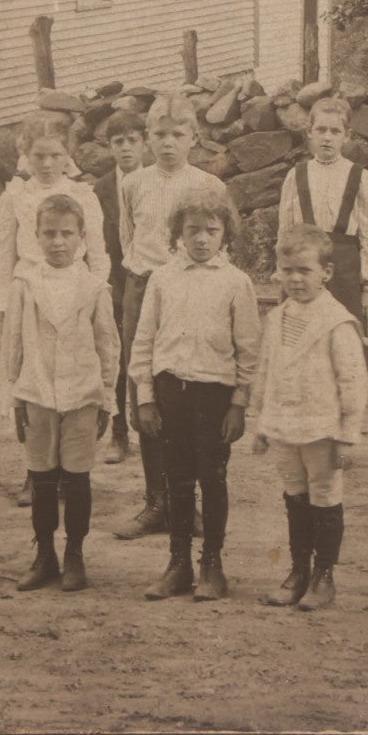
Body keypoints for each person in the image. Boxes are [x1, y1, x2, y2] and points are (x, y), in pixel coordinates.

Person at [132, 188, 261, 601]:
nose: (202, 239)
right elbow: (144, 340)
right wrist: (145, 397)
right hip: (171, 391)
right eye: (193, 230)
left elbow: (249, 351)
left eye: (211, 230)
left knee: (213, 478)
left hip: (215, 396)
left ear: (225, 234)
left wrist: (239, 404)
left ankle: (212, 565)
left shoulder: (236, 282)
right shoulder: (162, 278)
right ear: (178, 233)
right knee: (177, 479)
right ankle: (178, 565)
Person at [113, 95, 229, 541]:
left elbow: (219, 243)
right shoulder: (133, 183)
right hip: (143, 288)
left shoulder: (207, 184)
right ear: (147, 138)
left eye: (177, 135)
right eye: (159, 134)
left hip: (189, 289)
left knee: (186, 389)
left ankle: (186, 502)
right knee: (144, 386)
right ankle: (155, 500)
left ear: (194, 138)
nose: (167, 143)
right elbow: (128, 238)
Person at [3, 194, 120, 593]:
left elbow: (108, 347)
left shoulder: (94, 287)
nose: (58, 242)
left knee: (77, 479)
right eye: (49, 233)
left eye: (66, 234)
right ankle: (45, 555)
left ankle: (75, 553)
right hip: (37, 394)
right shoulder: (26, 285)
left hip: (82, 396)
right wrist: (16, 398)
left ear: (81, 236)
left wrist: (106, 399)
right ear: (36, 236)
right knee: (41, 479)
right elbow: (13, 345)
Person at [250, 226, 368, 611]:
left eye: (304, 270)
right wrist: (261, 425)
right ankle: (299, 570)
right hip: (285, 426)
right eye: (287, 271)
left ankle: (324, 575)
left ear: (326, 273)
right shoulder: (276, 318)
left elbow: (352, 382)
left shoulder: (337, 321)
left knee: (324, 497)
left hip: (322, 429)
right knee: (295, 497)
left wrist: (347, 435)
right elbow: (266, 372)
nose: (295, 279)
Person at [0, 111, 106, 506]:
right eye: (38, 155)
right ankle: (36, 471)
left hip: (73, 290)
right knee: (32, 379)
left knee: (70, 377)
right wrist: (5, 300)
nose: (46, 164)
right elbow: (4, 251)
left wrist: (96, 294)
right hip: (29, 291)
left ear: (67, 155)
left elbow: (99, 254)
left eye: (55, 155)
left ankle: (70, 471)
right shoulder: (16, 195)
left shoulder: (83, 196)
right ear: (26, 154)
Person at [275, 96, 368, 356]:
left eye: (335, 131)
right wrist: (283, 274)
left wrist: (367, 284)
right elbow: (285, 231)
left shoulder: (359, 176)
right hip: (304, 267)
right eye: (321, 130)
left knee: (344, 347)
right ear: (309, 133)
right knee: (299, 347)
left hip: (345, 272)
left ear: (346, 136)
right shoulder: (296, 175)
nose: (327, 138)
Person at [93, 110, 146, 465]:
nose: (126, 148)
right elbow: (97, 242)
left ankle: (152, 430)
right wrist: (108, 284)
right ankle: (119, 433)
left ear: (143, 143)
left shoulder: (154, 181)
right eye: (118, 142)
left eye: (132, 141)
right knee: (116, 358)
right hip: (114, 282)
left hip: (148, 283)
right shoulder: (100, 189)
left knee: (149, 357)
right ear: (110, 147)